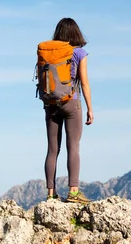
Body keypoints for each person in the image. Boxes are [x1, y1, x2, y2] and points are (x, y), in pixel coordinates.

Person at [41, 17, 94, 203]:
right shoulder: (80, 53)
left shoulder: (50, 54)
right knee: (73, 147)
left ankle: (51, 193)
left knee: (52, 150)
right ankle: (73, 192)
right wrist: (90, 108)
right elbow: (85, 83)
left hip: (51, 104)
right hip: (72, 103)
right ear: (76, 33)